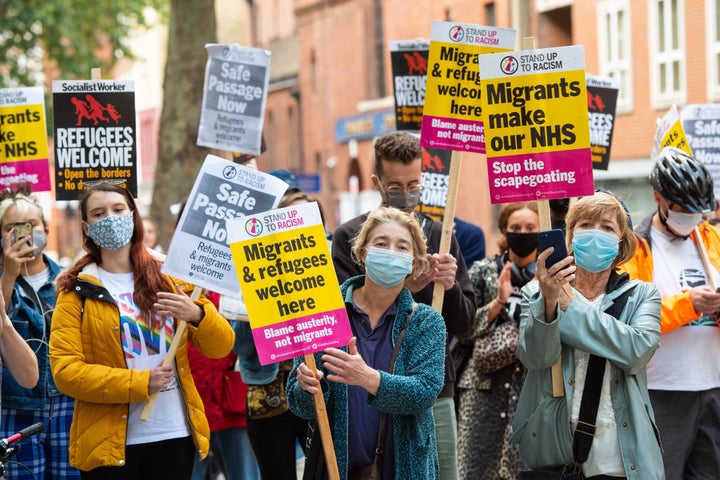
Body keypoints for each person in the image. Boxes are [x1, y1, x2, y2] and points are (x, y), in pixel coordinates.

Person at [49, 183, 235, 479]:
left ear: (133, 215)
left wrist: (198, 315)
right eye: (99, 213)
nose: (110, 218)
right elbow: (66, 371)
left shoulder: (170, 277)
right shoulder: (76, 291)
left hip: (173, 433)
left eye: (118, 209)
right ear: (86, 227)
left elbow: (221, 346)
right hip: (108, 442)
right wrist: (140, 382)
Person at [331, 131, 475, 480]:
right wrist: (406, 285)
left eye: (414, 184)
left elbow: (467, 324)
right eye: (396, 187)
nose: (406, 195)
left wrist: (450, 286)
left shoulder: (441, 236)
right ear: (377, 183)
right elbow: (345, 308)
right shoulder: (350, 235)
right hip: (358, 388)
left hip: (432, 386)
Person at [512, 191, 664, 479]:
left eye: (607, 227)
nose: (595, 233)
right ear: (569, 236)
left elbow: (635, 353)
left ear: (621, 242)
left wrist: (571, 304)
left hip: (620, 452)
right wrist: (549, 302)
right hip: (556, 447)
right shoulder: (536, 292)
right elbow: (535, 358)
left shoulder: (643, 295)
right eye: (585, 225)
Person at [288, 206, 446, 479]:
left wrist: (368, 378)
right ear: (362, 253)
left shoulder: (426, 322)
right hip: (336, 468)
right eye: (381, 243)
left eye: (402, 247)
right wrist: (306, 385)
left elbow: (425, 391)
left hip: (403, 469)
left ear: (415, 262)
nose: (390, 252)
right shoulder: (324, 315)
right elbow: (299, 405)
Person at [618, 146, 720, 479]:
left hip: (714, 386)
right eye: (684, 208)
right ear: (659, 198)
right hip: (662, 389)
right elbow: (632, 316)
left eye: (698, 210)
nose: (693, 216)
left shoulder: (711, 238)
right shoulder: (636, 247)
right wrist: (689, 304)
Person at [0, 185, 79, 480]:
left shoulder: (70, 280)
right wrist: (9, 272)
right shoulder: (2, 278)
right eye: (12, 228)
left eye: (30, 225)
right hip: (15, 404)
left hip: (66, 402)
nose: (23, 233)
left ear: (45, 228)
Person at [456, 202, 539, 480]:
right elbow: (463, 330)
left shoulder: (553, 277)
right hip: (481, 389)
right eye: (516, 228)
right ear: (504, 232)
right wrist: (498, 302)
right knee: (474, 470)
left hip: (530, 390)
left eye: (530, 228)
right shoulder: (482, 272)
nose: (523, 233)